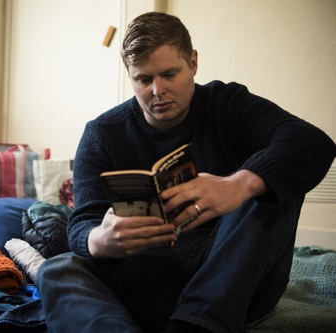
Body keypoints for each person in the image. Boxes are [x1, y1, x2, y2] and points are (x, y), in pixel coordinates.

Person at [36, 12, 336, 333]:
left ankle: (195, 326)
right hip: (147, 274)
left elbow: (312, 143)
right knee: (57, 269)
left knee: (272, 183)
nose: (157, 90)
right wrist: (97, 239)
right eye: (143, 79)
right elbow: (83, 221)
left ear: (193, 63)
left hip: (231, 271)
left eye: (170, 74)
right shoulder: (102, 134)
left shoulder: (226, 103)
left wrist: (239, 184)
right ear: (130, 76)